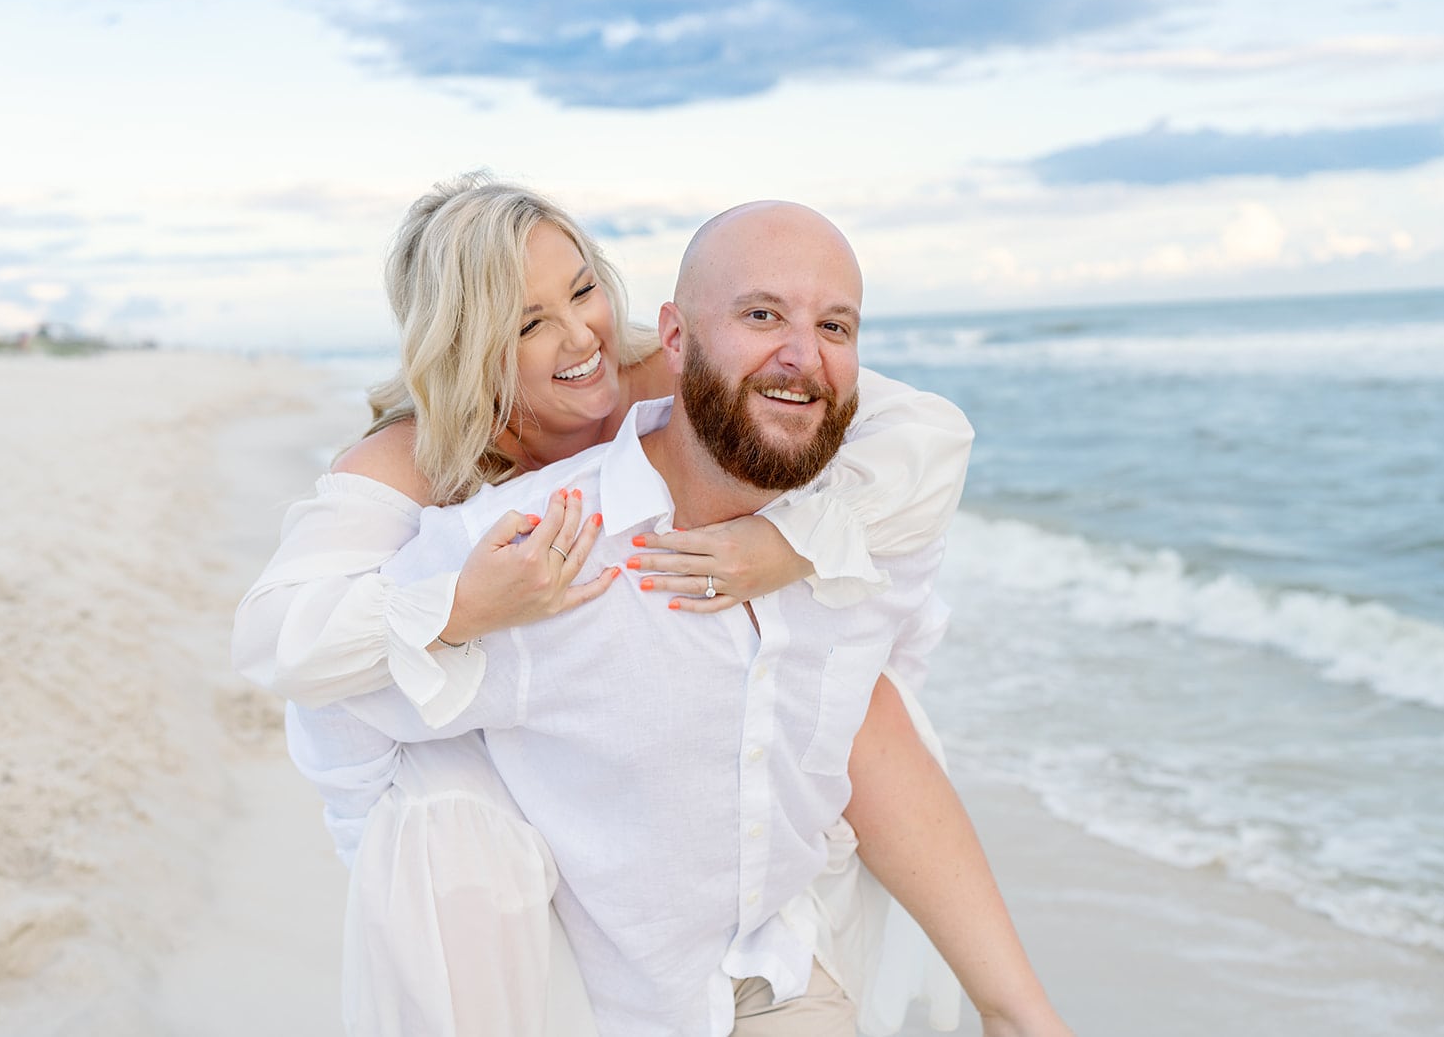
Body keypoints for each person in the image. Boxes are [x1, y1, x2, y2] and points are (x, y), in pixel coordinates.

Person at [263, 197, 1069, 1035]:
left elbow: (930, 436)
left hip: (756, 917)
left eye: (582, 292)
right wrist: (464, 609)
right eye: (529, 321)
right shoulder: (428, 477)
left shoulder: (690, 391)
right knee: (453, 819)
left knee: (852, 689)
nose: (580, 337)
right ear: (469, 349)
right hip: (575, 896)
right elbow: (300, 661)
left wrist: (787, 540)